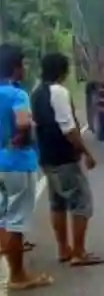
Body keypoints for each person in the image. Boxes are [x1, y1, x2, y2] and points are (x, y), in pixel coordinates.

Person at [31, 52, 104, 268]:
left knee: (58, 203)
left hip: (46, 156)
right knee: (81, 202)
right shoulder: (59, 92)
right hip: (64, 157)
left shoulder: (36, 92)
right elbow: (69, 129)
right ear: (62, 71)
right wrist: (86, 152)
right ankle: (79, 252)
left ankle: (64, 249)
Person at [0, 43, 53, 290]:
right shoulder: (17, 94)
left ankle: (14, 271)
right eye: (23, 64)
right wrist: (23, 135)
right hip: (18, 163)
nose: (25, 68)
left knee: (4, 217)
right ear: (14, 67)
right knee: (16, 221)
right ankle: (18, 276)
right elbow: (23, 123)